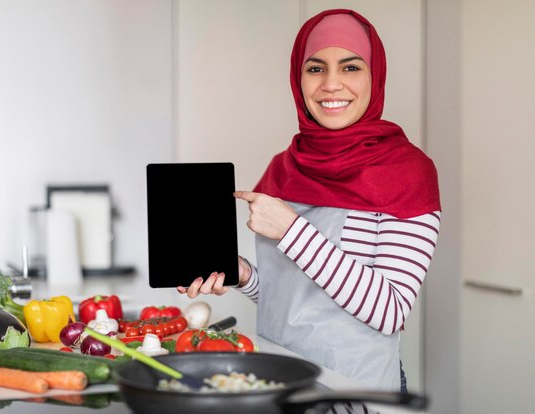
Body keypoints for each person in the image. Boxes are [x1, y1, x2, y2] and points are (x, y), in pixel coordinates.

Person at [177, 9, 441, 393]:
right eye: (316, 69)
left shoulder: (407, 171)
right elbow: (292, 301)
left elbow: (389, 311)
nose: (331, 84)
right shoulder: (284, 167)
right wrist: (244, 275)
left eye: (351, 68)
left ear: (374, 76)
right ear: (298, 79)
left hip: (355, 394)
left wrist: (291, 231)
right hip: (276, 383)